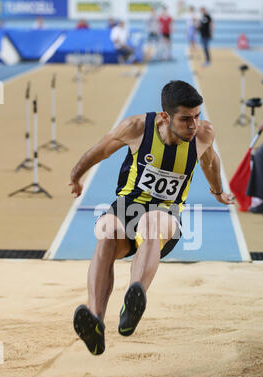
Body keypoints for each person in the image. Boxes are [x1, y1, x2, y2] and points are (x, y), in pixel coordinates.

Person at [69, 80, 234, 356]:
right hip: (127, 207)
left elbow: (210, 162)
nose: (193, 125)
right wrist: (76, 175)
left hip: (164, 217)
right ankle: (96, 321)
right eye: (185, 119)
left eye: (197, 116)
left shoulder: (203, 135)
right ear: (165, 117)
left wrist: (217, 191)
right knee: (107, 231)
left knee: (151, 222)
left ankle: (134, 300)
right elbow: (101, 149)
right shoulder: (136, 128)